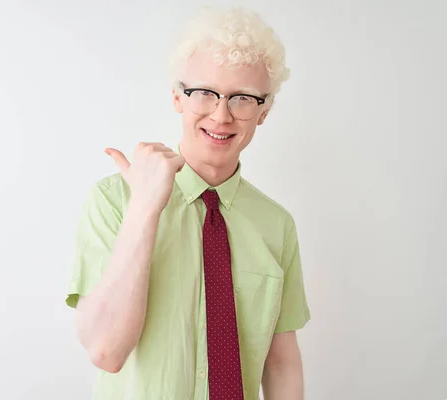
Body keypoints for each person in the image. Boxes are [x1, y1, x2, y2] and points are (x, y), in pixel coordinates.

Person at [65, 6, 311, 400]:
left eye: (243, 98)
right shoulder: (115, 200)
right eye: (205, 93)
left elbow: (280, 361)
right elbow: (105, 351)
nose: (221, 115)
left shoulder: (276, 224)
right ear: (178, 97)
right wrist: (145, 207)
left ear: (264, 112)